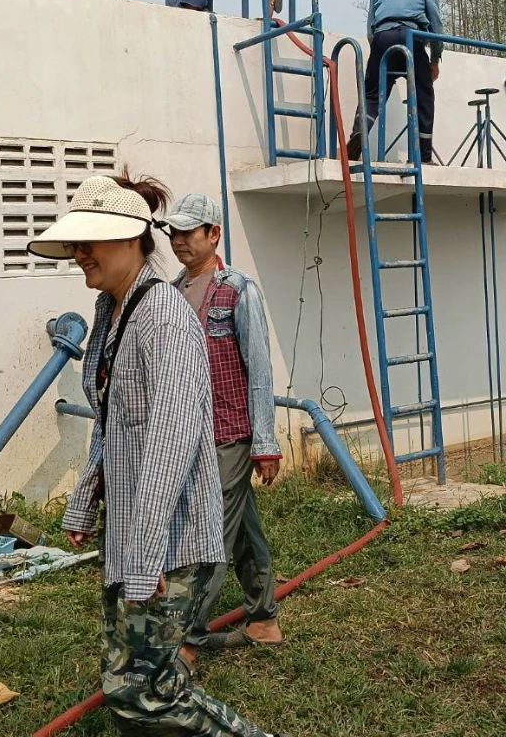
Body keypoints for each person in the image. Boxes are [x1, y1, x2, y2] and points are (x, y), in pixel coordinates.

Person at [28, 173, 286, 737]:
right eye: (73, 244)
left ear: (128, 239)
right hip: (134, 531)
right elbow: (113, 420)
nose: (78, 255)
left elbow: (168, 442)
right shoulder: (111, 310)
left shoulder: (164, 316)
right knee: (142, 683)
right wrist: (84, 501)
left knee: (138, 691)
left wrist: (145, 558)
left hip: (167, 541)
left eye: (87, 242)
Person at [163, 193, 284, 668]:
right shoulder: (172, 292)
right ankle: (263, 618)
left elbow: (259, 369)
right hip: (191, 434)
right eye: (172, 233)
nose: (178, 242)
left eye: (188, 233)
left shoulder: (238, 290)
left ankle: (187, 641)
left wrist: (265, 442)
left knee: (207, 534)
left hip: (229, 433)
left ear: (213, 234)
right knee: (244, 526)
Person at [345, 0, 445, 165]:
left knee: (372, 94)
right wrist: (435, 59)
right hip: (412, 38)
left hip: (383, 38)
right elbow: (436, 27)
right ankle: (422, 156)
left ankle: (358, 132)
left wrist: (378, 52)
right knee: (423, 95)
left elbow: (371, 27)